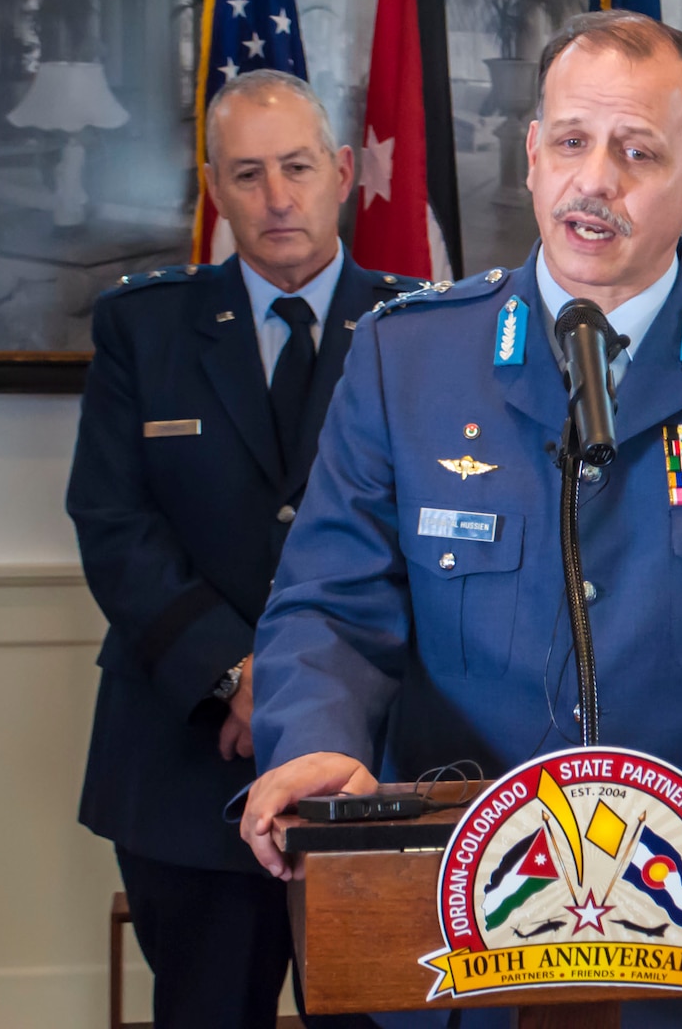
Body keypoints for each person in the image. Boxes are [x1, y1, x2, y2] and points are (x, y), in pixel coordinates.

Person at [238, 11, 682, 1028]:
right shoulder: (407, 359)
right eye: (571, 141)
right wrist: (313, 736)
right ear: (532, 155)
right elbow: (328, 610)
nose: (593, 179)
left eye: (636, 151)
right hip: (457, 930)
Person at [68, 69, 405, 1028]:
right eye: (248, 174)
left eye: (298, 166)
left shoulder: (424, 328)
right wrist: (236, 676)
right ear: (217, 190)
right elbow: (113, 524)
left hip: (374, 756)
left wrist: (299, 690)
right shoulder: (148, 327)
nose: (278, 197)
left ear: (342, 172)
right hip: (188, 762)